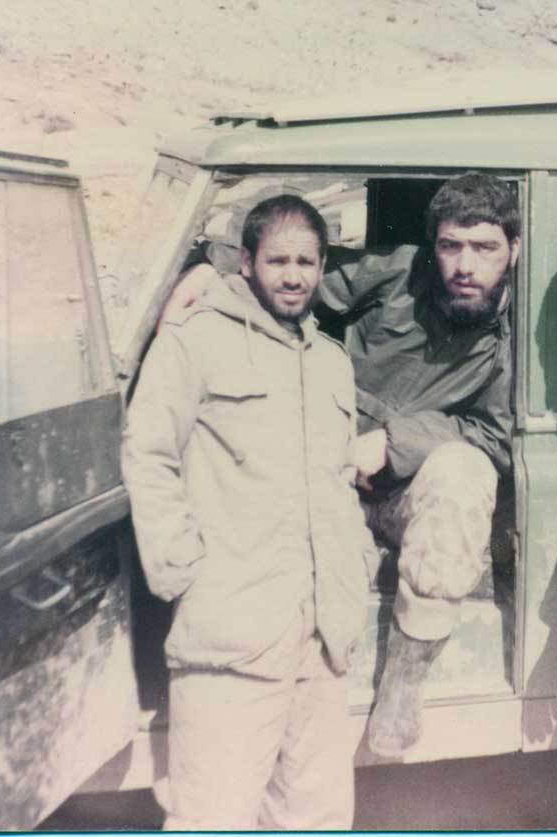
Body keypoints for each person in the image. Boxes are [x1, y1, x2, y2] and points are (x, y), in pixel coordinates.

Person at [168, 173, 519, 758]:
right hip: (331, 474)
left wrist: (394, 442)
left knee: (465, 473)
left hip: (410, 495)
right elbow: (296, 278)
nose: (464, 266)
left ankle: (406, 677)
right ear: (432, 246)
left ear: (513, 250)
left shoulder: (513, 336)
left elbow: (494, 435)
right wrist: (216, 267)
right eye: (451, 246)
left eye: (484, 248)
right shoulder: (397, 271)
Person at [121, 194, 371, 829]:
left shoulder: (331, 362)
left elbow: (340, 482)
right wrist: (184, 571)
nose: (293, 277)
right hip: (231, 633)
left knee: (315, 817)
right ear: (247, 262)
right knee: (213, 815)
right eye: (278, 261)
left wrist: (355, 568)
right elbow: (148, 453)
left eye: (306, 262)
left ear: (323, 267)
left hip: (321, 639)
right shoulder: (195, 342)